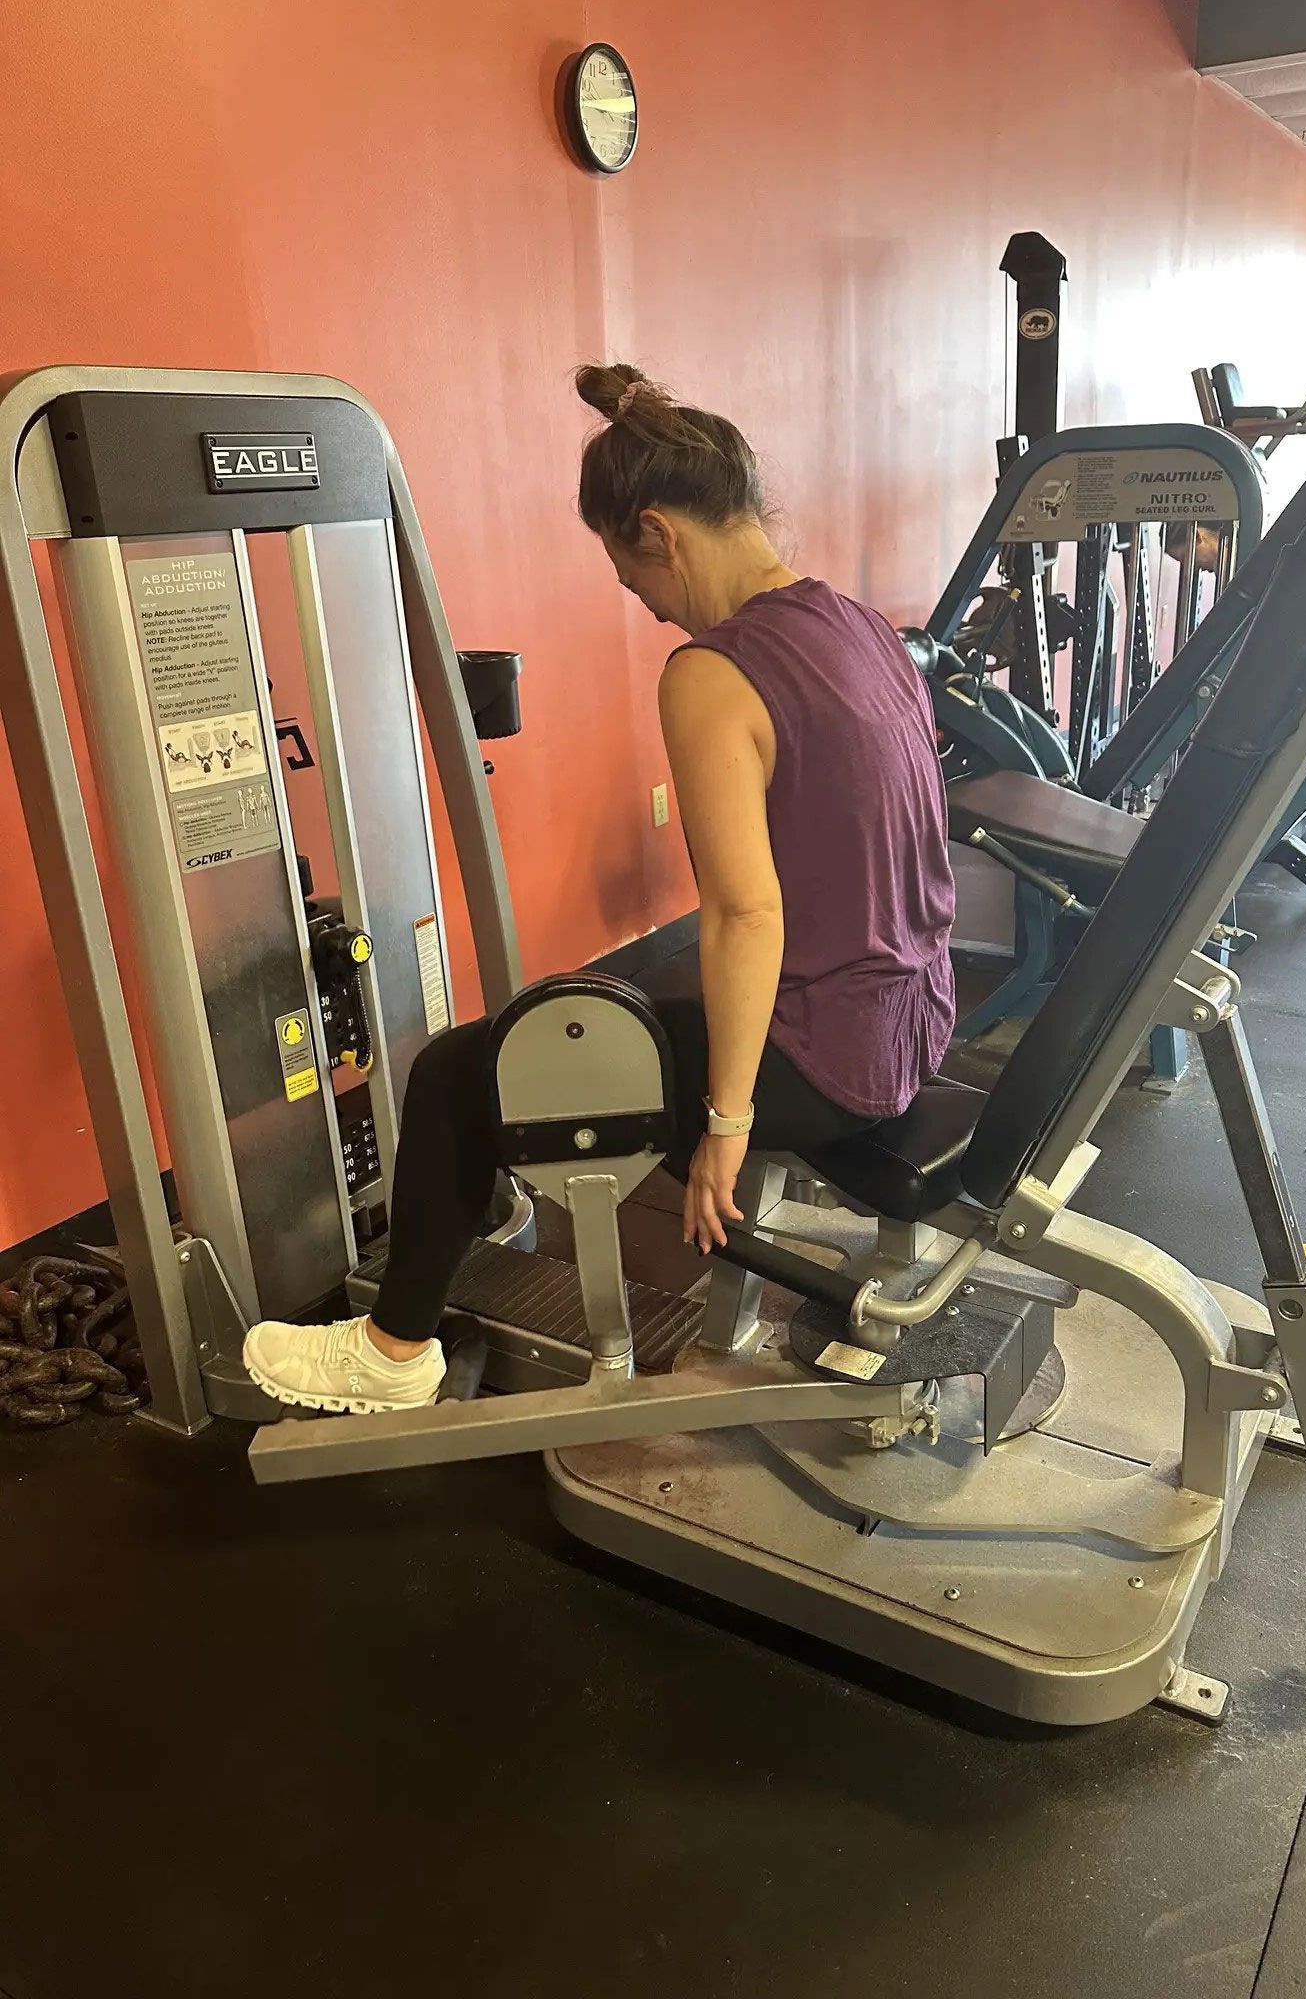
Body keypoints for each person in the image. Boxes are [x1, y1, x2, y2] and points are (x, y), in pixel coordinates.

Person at [243, 364, 956, 1414]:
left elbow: (745, 915)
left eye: (634, 581)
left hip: (828, 1060)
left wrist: (726, 1122)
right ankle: (463, 1208)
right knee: (563, 1019)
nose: (648, 607)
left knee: (452, 1073)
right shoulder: (861, 625)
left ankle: (392, 1357)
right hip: (920, 1020)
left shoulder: (714, 671)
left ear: (658, 533)